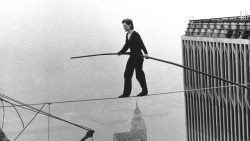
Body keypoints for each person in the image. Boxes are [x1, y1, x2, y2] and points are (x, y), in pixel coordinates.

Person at [117, 18, 148, 98]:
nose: (124, 28)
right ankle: (126, 93)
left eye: (125, 26)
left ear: (130, 25)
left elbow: (141, 44)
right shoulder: (127, 35)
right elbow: (126, 46)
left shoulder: (135, 34)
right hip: (132, 57)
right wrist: (121, 52)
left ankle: (144, 91)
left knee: (139, 74)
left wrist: (146, 53)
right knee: (127, 74)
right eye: (123, 26)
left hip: (138, 57)